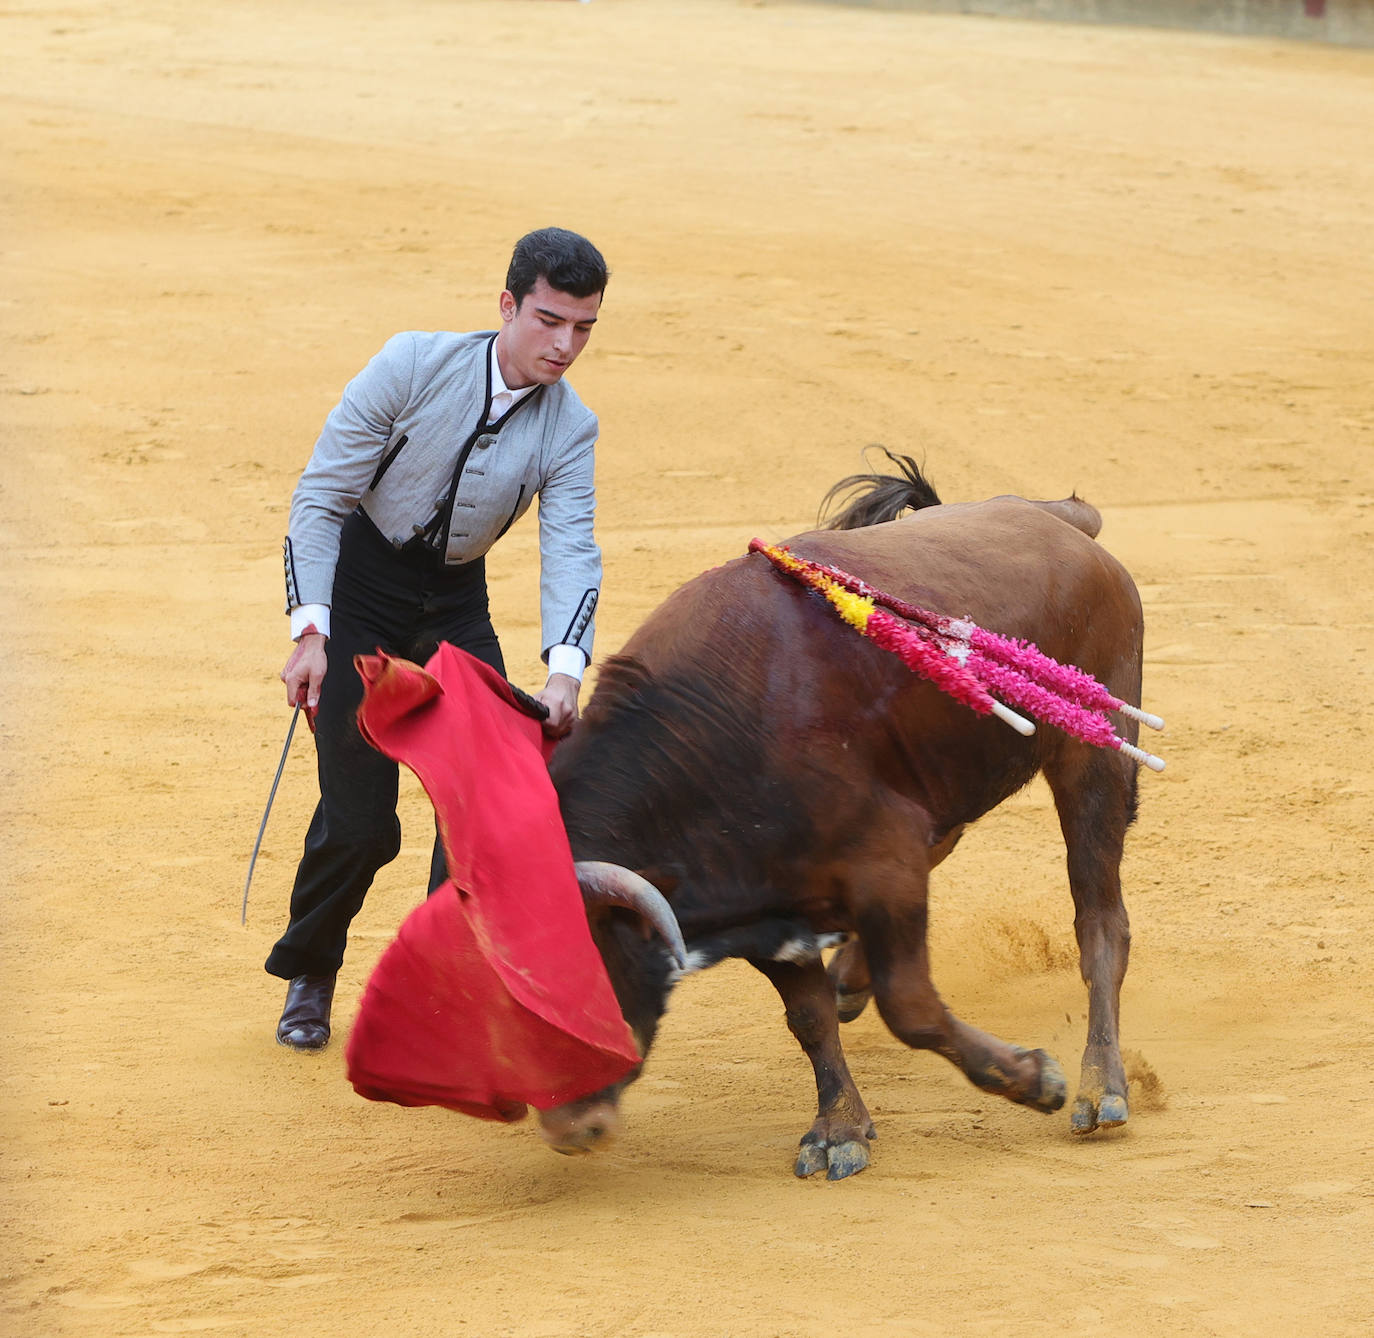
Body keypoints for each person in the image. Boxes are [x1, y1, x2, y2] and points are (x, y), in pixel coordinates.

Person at [266, 227, 609, 1050]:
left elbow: (572, 544)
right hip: (362, 592)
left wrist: (564, 671)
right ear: (507, 305)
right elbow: (320, 499)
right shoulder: (412, 365)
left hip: (455, 604)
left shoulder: (571, 428)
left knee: (483, 819)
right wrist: (312, 630)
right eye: (549, 321)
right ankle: (312, 971)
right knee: (361, 826)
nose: (565, 346)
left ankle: (432, 981)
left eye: (584, 329)